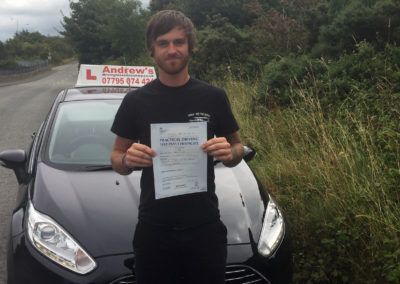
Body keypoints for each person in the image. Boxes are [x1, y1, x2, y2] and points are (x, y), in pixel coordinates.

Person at [110, 10, 244, 284]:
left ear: (190, 47)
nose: (172, 50)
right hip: (154, 230)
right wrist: (127, 160)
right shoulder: (135, 101)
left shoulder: (214, 97)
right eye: (163, 43)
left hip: (205, 228)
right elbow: (115, 157)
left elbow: (238, 147)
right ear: (152, 49)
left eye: (179, 42)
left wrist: (230, 154)